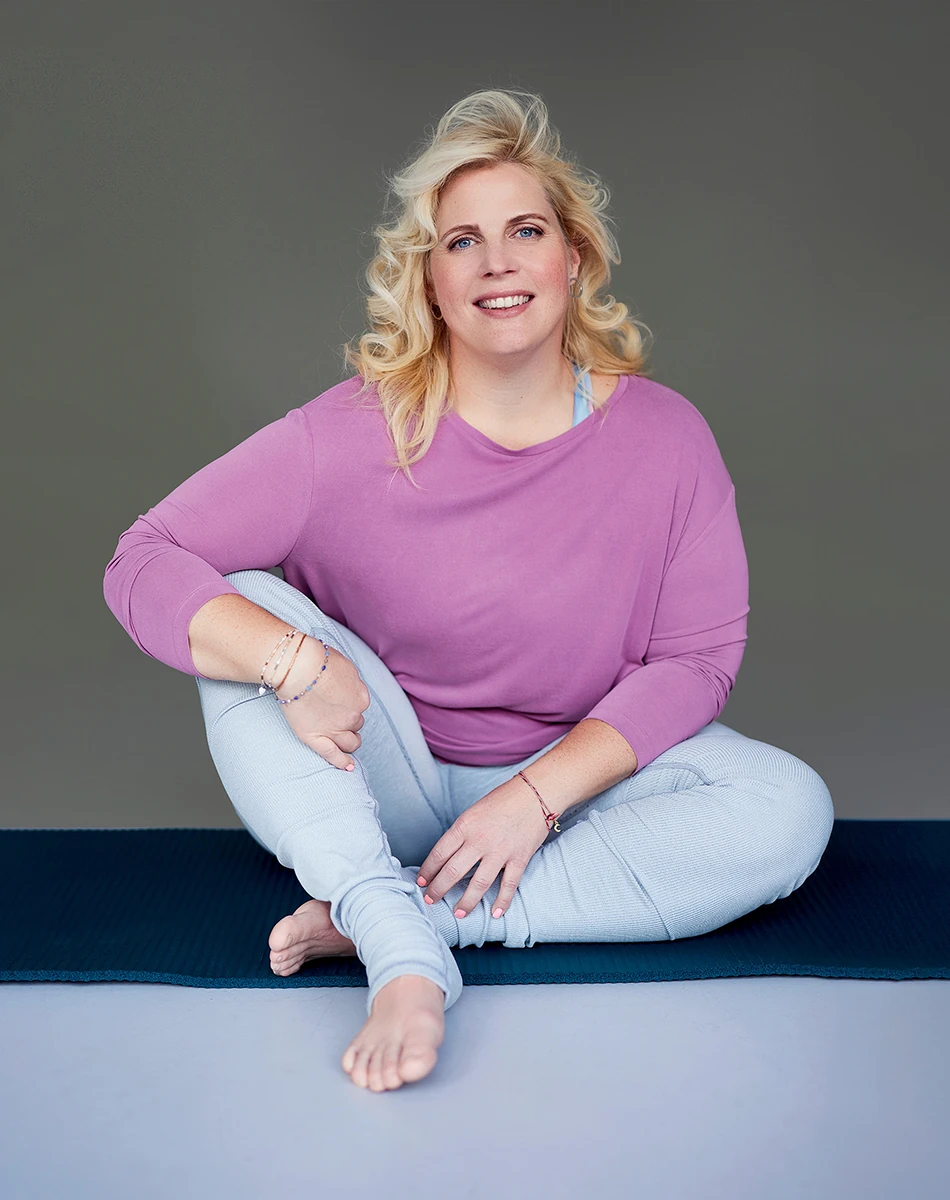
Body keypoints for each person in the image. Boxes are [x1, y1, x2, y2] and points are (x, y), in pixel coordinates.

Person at [103, 88, 834, 1094]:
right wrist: (294, 663)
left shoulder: (668, 439)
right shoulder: (344, 434)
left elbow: (696, 662)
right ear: (429, 281)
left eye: (525, 231)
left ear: (573, 257)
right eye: (462, 241)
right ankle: (399, 946)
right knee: (232, 602)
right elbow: (143, 559)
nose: (497, 261)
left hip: (569, 792)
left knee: (786, 807)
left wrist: (532, 800)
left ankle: (407, 917)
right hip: (371, 778)